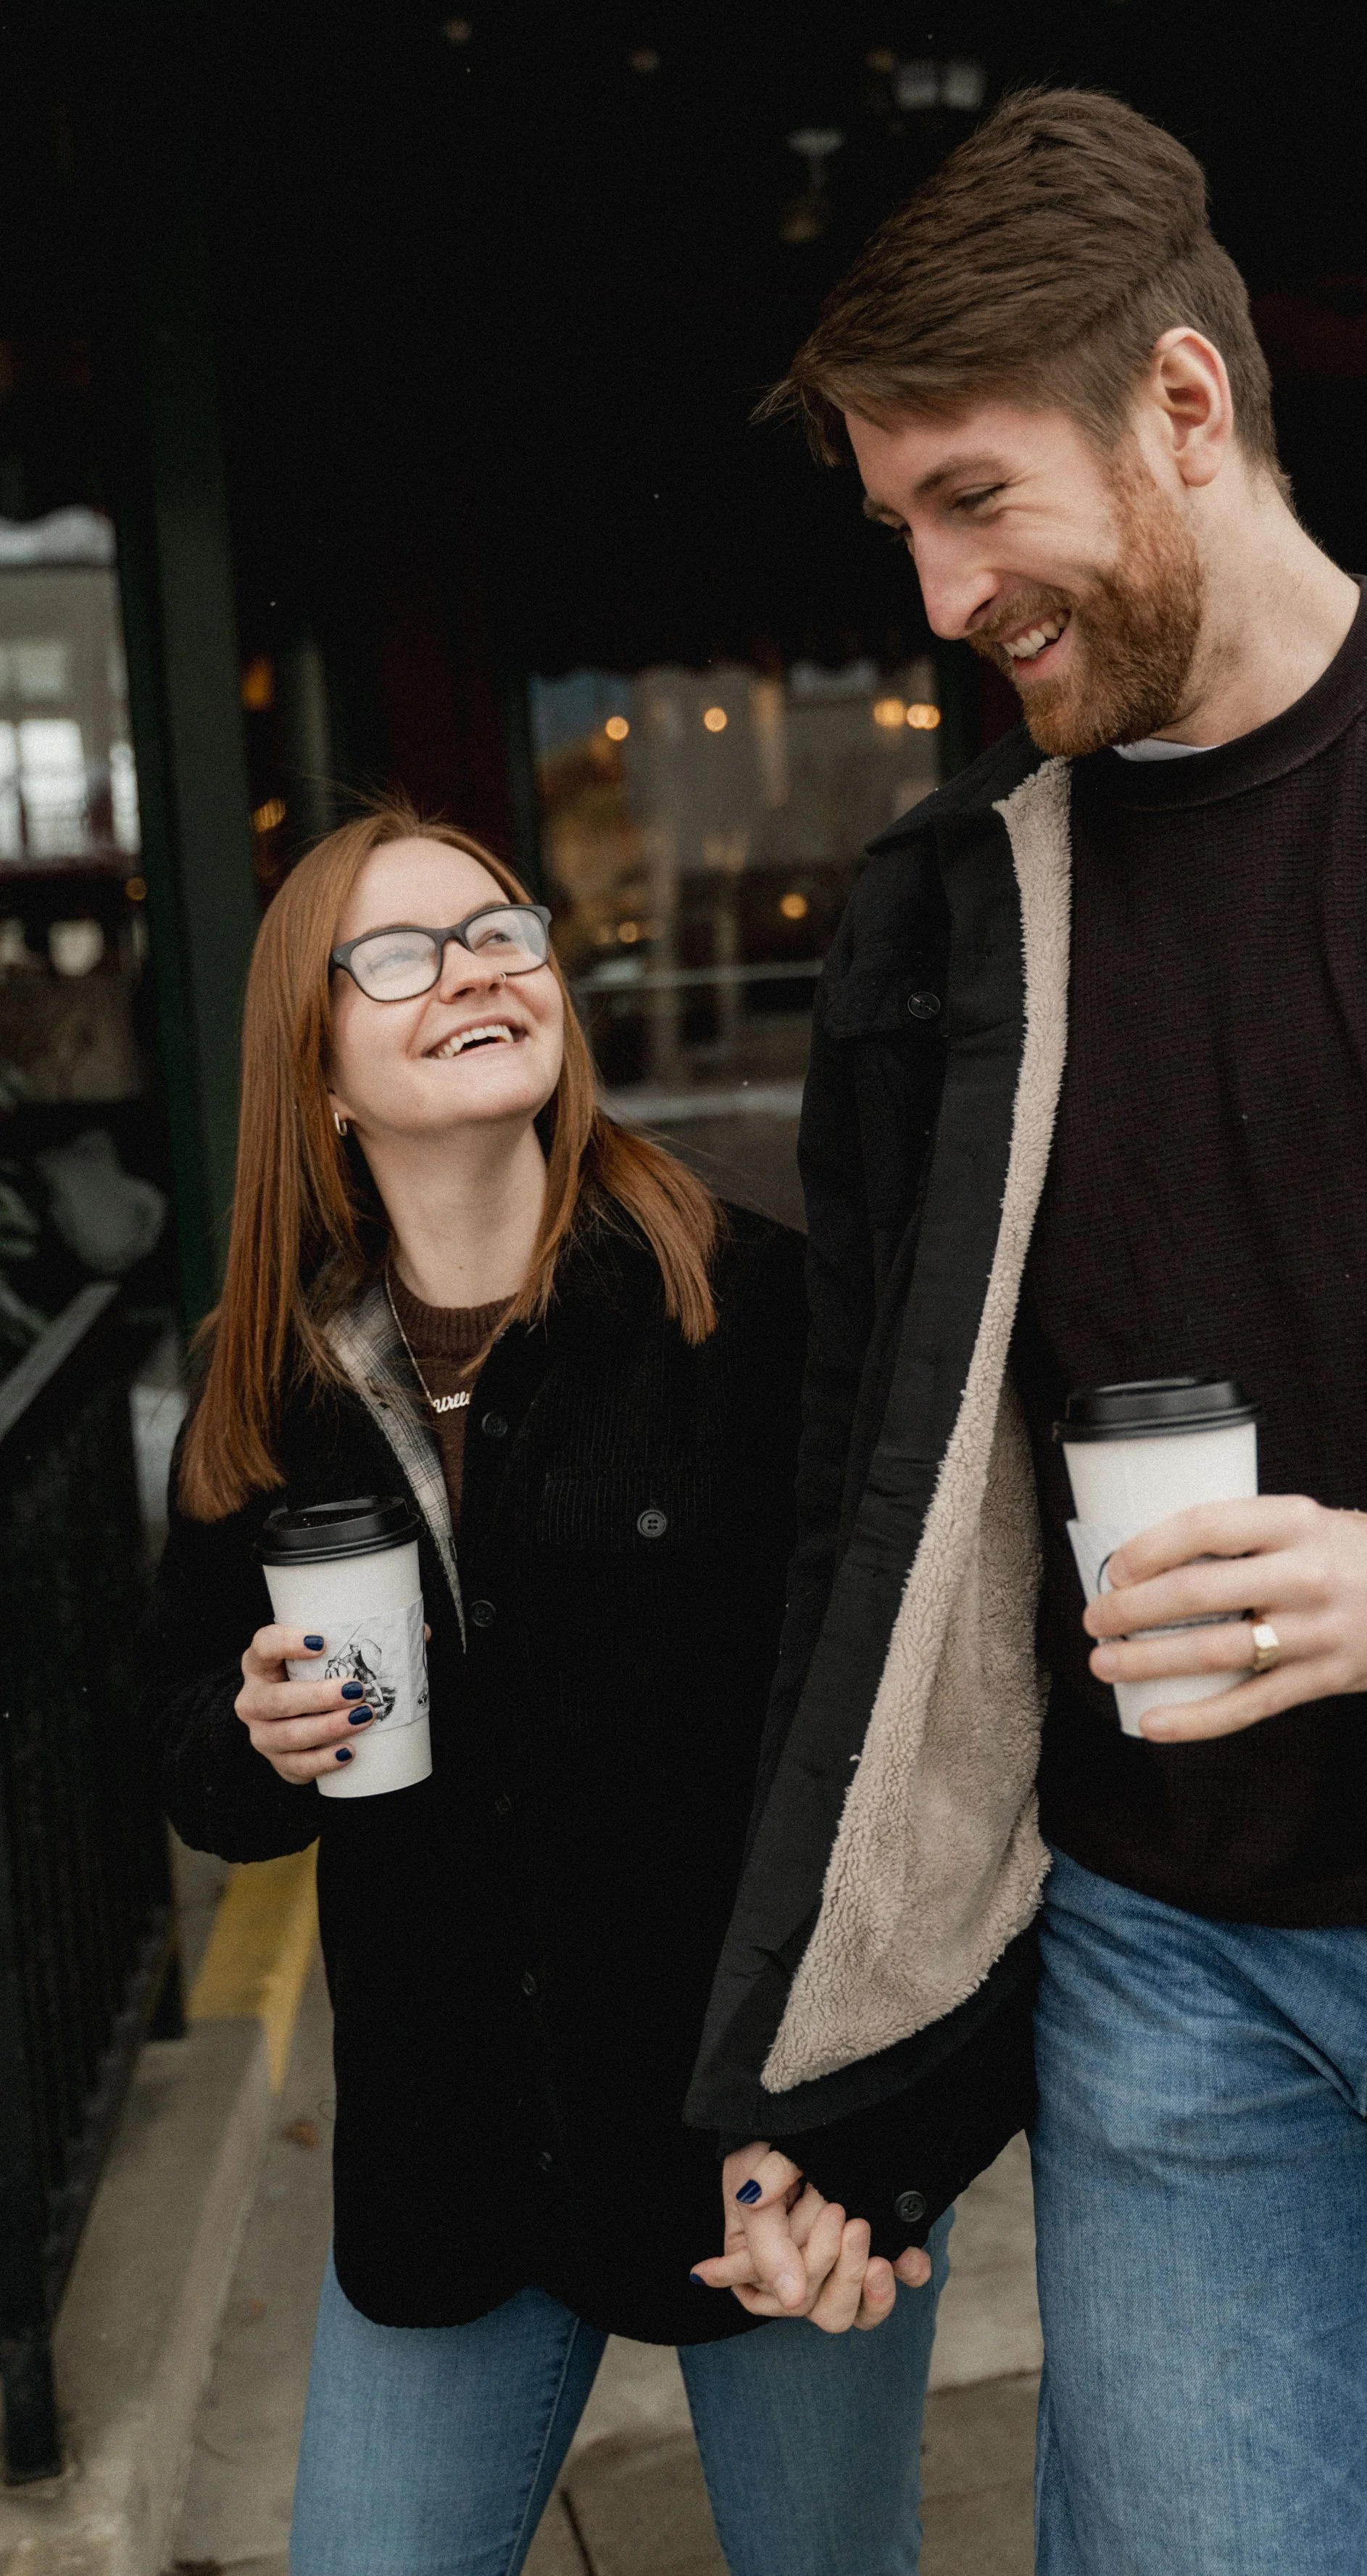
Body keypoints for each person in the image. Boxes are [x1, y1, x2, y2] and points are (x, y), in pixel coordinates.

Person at [685, 88, 1367, 2575]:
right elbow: (872, 1538)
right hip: (1173, 1969)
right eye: (900, 527)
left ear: (1183, 404)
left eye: (975, 499)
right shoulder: (938, 924)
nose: (941, 597)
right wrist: (823, 2076)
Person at [138, 804, 966, 2576]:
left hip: (763, 2144)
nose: (472, 974)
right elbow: (194, 1762)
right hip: (448, 2165)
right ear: (318, 1073)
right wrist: (256, 1738)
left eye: (500, 933)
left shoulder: (747, 1311)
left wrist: (856, 2136)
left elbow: (897, 1753)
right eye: (397, 957)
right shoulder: (270, 1384)